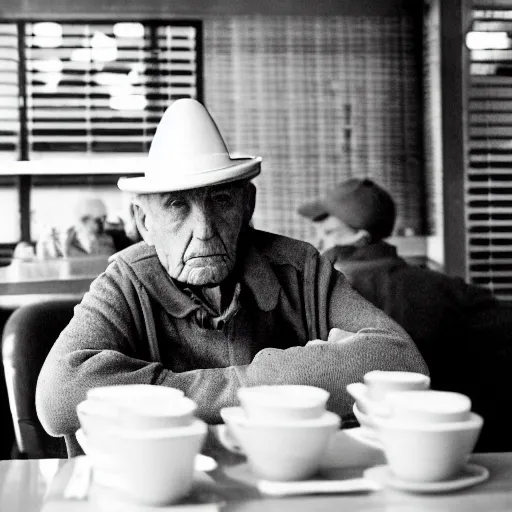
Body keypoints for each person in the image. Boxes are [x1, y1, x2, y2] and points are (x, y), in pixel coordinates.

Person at [36, 99, 428, 457]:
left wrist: (161, 394)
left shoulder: (298, 266)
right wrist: (301, 375)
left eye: (221, 200)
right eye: (177, 205)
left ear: (246, 205)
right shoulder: (125, 280)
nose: (204, 229)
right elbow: (60, 397)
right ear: (143, 222)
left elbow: (399, 362)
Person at [298, 178, 512, 450]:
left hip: (385, 443)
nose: (318, 241)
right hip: (467, 436)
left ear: (360, 239)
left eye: (328, 232)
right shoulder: (442, 286)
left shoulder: (336, 293)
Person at [35, 197, 117, 259]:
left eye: (104, 218)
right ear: (84, 219)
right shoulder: (66, 239)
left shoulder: (111, 239)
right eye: (98, 220)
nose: (102, 223)